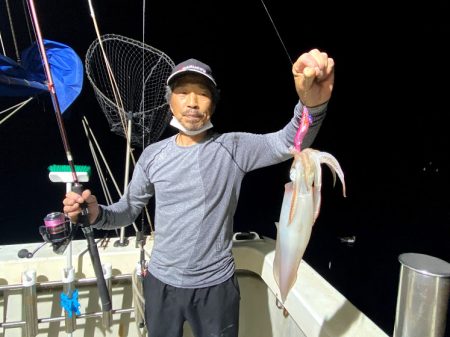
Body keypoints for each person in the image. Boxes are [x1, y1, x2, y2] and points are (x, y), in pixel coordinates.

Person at [63, 48, 335, 337]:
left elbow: (287, 142)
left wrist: (312, 107)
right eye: (182, 92)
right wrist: (96, 214)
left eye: (202, 93)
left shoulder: (234, 148)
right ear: (170, 101)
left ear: (213, 104)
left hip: (215, 287)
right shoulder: (153, 156)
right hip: (161, 284)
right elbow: (127, 210)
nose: (192, 102)